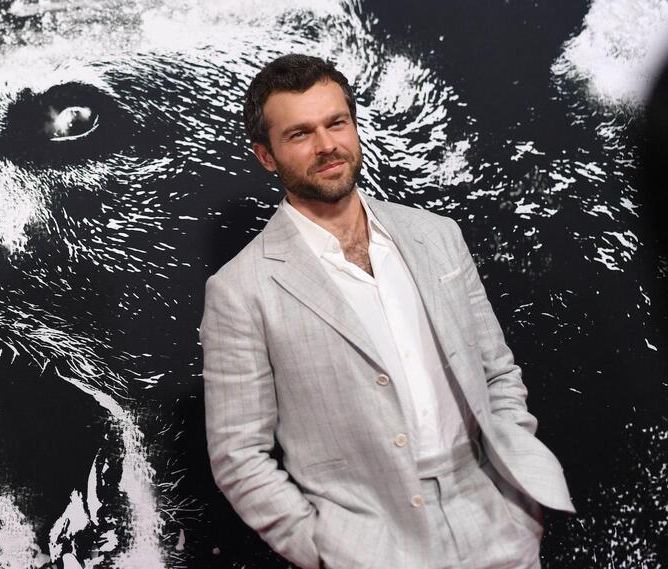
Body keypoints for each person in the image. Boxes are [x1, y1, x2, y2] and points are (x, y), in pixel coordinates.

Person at [200, 53, 574, 569]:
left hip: (495, 517)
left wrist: (516, 489)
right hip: (371, 542)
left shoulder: (437, 235)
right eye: (300, 134)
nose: (328, 145)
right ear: (266, 156)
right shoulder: (240, 289)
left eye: (337, 123)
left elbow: (497, 371)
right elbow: (239, 457)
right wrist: (326, 551)